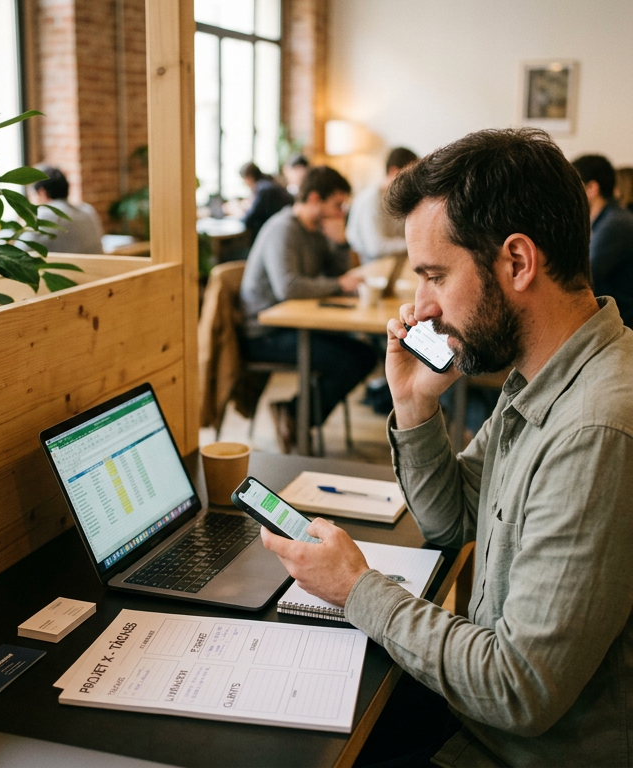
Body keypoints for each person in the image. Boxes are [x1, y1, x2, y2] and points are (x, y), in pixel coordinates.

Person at [259, 128, 633, 767]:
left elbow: (519, 690)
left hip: (511, 748)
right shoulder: (542, 376)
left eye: (435, 274)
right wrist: (414, 404)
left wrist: (357, 589)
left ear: (517, 262)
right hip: (478, 717)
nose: (421, 307)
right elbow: (454, 518)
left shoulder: (595, 429)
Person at [239, 165, 373, 452]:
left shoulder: (314, 231)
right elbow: (288, 287)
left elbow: (338, 275)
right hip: (265, 333)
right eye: (337, 204)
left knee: (365, 354)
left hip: (297, 325)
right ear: (314, 199)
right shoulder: (283, 229)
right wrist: (338, 283)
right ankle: (294, 416)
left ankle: (294, 413)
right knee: (346, 362)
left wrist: (340, 242)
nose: (342, 212)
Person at [572, 154, 633, 329]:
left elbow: (583, 277)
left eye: (574, 187)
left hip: (622, 322)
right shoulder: (607, 218)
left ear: (592, 188)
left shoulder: (614, 224)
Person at [346, 147, 417, 264]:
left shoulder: (397, 198)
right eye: (409, 177)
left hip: (391, 264)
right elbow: (375, 247)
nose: (412, 184)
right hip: (371, 269)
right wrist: (415, 244)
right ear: (393, 171)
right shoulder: (371, 199)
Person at [27, 165, 105, 255]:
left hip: (66, 269)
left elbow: (18, 254)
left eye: (31, 195)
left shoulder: (44, 216)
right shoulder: (88, 210)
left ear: (42, 193)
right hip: (98, 268)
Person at [239, 161, 294, 246]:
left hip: (276, 238)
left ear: (249, 177)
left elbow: (248, 220)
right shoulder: (269, 183)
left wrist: (238, 211)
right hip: (283, 233)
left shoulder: (264, 189)